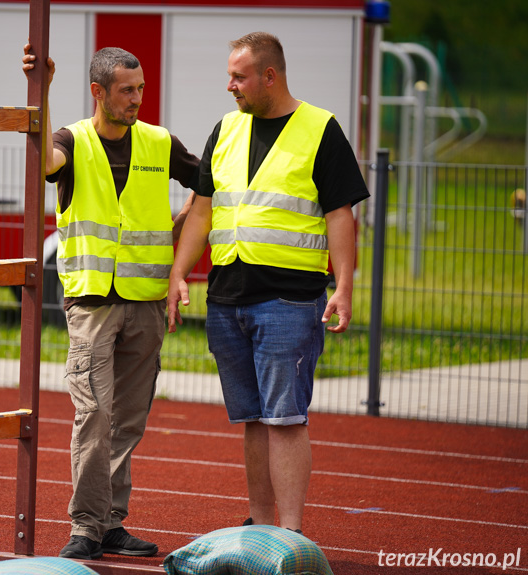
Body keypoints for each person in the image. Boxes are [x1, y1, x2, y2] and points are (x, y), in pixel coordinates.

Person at [167, 32, 369, 534]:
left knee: (285, 419)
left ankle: (292, 534)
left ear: (269, 76)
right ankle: (260, 527)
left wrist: (343, 286)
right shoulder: (226, 130)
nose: (229, 86)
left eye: (238, 76)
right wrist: (177, 272)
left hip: (289, 300)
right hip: (227, 298)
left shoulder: (320, 128)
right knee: (253, 420)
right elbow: (202, 212)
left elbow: (340, 215)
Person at [22, 43, 199, 560]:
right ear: (98, 92)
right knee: (93, 414)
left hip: (146, 303)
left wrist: (179, 239)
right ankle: (85, 526)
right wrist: (43, 89)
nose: (137, 99)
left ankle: (111, 524)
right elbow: (45, 163)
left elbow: (207, 186)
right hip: (93, 304)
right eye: (127, 90)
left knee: (128, 420)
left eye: (140, 88)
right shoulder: (71, 141)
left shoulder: (160, 142)